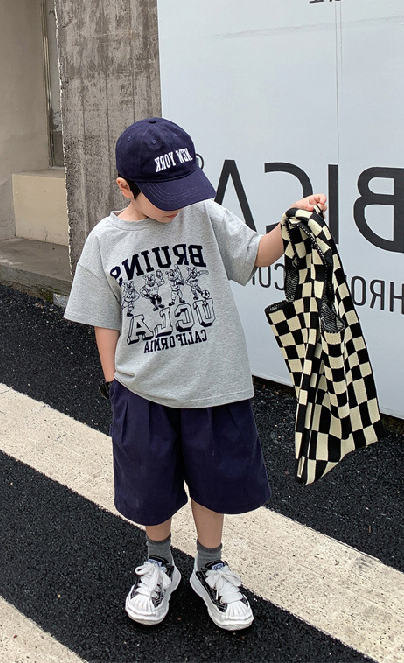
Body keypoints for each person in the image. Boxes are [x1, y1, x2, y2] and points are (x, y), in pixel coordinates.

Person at [63, 117, 327, 631]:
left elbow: (255, 254)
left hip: (214, 383)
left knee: (213, 483)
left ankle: (210, 566)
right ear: (125, 187)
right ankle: (159, 561)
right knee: (150, 486)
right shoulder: (105, 240)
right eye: (164, 195)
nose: (177, 204)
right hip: (143, 389)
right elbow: (104, 316)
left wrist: (290, 223)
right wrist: (113, 381)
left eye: (184, 189)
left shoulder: (201, 213)